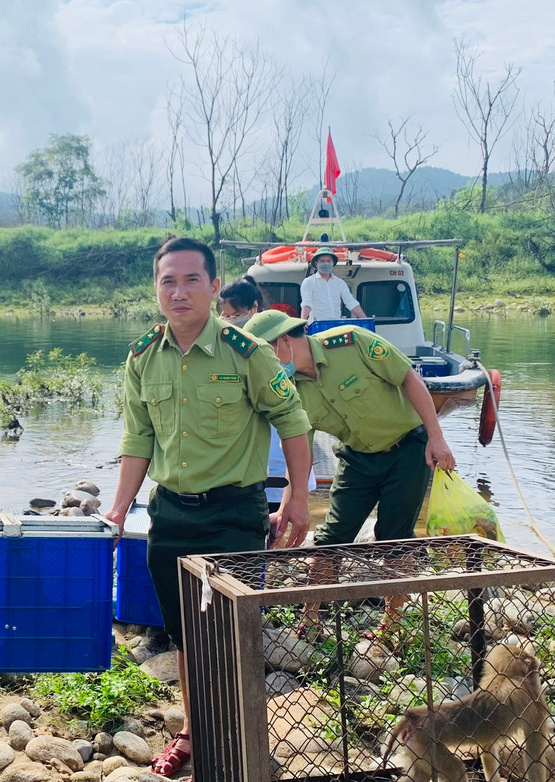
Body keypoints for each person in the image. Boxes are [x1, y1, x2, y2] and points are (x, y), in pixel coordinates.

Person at [103, 237, 313, 777]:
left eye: (191, 279)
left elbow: (293, 423)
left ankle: (243, 738)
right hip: (171, 516)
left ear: (215, 287)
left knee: (232, 636)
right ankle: (195, 733)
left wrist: (297, 497)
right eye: (167, 281)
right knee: (189, 640)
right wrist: (118, 510)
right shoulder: (143, 357)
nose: (179, 292)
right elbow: (137, 439)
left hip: (234, 516)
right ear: (156, 289)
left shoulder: (249, 353)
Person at [243, 309, 456, 635]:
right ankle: (310, 617)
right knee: (330, 538)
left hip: (408, 449)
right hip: (357, 458)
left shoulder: (351, 342)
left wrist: (436, 438)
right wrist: (292, 502)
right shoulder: (289, 388)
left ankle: (390, 625)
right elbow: (300, 452)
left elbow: (409, 378)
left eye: (263, 353)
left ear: (284, 340)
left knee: (394, 539)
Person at [218, 278, 317, 515]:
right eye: (224, 315)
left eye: (235, 314)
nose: (229, 320)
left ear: (253, 308)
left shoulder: (268, 334)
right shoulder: (222, 345)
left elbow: (293, 425)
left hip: (276, 462)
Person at [299, 247, 366, 322]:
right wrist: (302, 323)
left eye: (328, 261)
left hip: (336, 326)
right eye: (322, 261)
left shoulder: (340, 283)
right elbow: (307, 304)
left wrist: (365, 319)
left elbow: (351, 302)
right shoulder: (309, 282)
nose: (326, 263)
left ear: (333, 263)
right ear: (316, 263)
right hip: (317, 325)